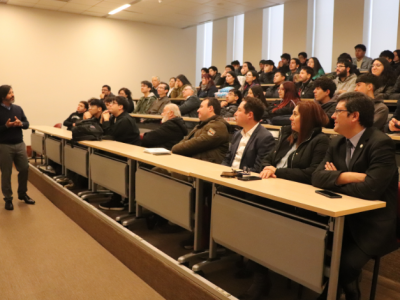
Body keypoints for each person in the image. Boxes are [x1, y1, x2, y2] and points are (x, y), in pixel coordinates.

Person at [312, 92, 398, 300]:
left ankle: (328, 295)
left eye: (338, 111)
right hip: (342, 217)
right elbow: (316, 177)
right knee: (309, 244)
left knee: (345, 263)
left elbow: (370, 190)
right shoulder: (337, 143)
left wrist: (333, 179)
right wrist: (347, 176)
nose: (332, 115)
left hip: (374, 223)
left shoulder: (381, 144)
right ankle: (350, 290)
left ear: (354, 116)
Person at [241, 101, 330, 300]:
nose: (290, 117)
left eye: (296, 114)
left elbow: (311, 173)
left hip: (296, 201)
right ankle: (253, 264)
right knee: (244, 207)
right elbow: (267, 159)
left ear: (307, 118)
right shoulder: (288, 137)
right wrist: (268, 169)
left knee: (260, 218)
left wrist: (277, 171)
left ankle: (260, 276)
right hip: (272, 190)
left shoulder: (320, 141)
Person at [99, 96, 141, 210]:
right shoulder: (116, 118)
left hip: (128, 155)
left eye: (113, 103)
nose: (110, 105)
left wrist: (106, 120)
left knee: (108, 161)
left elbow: (110, 136)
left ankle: (117, 199)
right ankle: (117, 197)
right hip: (120, 152)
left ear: (121, 107)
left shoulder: (125, 119)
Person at [0, 85, 35, 210]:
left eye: (13, 92)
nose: (13, 94)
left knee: (24, 169)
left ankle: (22, 194)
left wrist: (21, 124)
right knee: (6, 173)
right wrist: (6, 126)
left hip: (19, 144)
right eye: (10, 93)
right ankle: (8, 199)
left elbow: (26, 124)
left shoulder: (18, 108)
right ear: (3, 96)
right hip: (4, 146)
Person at [222, 97, 275, 172]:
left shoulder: (265, 138)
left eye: (239, 110)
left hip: (244, 180)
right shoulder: (237, 134)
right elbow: (227, 159)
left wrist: (235, 174)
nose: (235, 113)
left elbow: (258, 170)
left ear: (249, 115)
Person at [172, 97, 229, 164]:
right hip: (194, 163)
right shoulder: (202, 125)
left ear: (210, 108)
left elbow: (196, 144)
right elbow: (186, 139)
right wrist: (175, 149)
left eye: (201, 107)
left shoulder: (218, 126)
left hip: (205, 167)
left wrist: (174, 148)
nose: (198, 110)